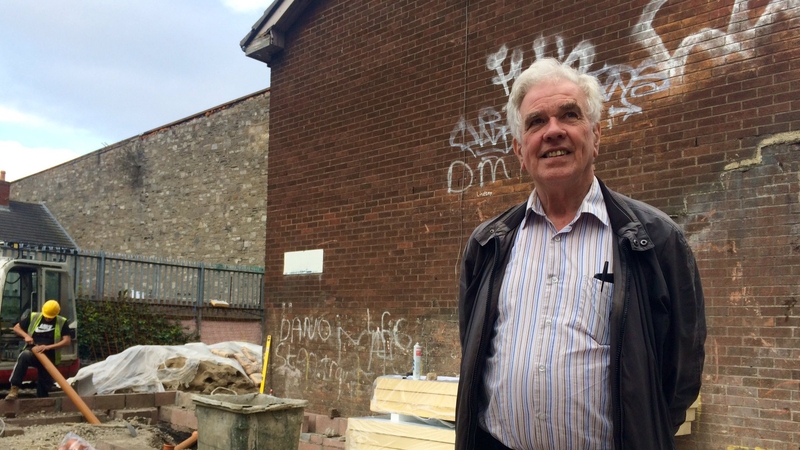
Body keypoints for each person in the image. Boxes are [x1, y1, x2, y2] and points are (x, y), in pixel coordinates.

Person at [456, 58, 706, 450]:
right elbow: (474, 348)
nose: (553, 131)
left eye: (569, 115)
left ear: (596, 136)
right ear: (520, 150)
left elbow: (681, 371)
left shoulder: (655, 239)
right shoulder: (488, 244)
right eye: (536, 122)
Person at [5, 300, 73, 400]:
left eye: (50, 317)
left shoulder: (61, 321)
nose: (47, 318)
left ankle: (42, 405)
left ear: (56, 314)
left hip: (50, 356)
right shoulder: (34, 317)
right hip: (34, 352)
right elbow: (16, 328)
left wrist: (48, 347)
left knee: (44, 386)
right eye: (46, 315)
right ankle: (14, 389)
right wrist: (26, 336)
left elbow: (67, 341)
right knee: (24, 356)